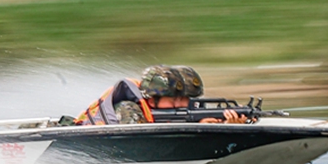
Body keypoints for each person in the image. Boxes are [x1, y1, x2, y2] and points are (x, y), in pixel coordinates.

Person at [74, 65, 247, 125]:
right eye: (173, 100)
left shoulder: (174, 111)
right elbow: (141, 144)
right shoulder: (128, 111)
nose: (179, 104)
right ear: (152, 99)